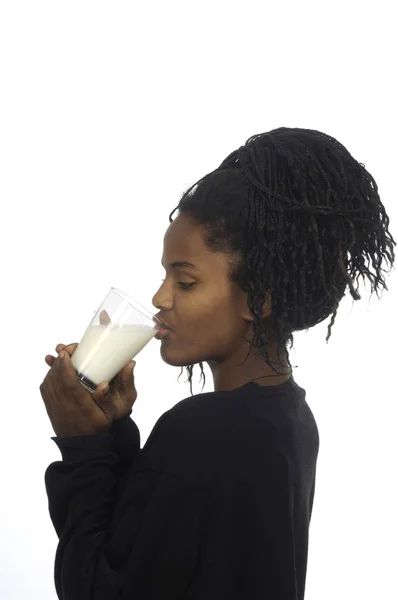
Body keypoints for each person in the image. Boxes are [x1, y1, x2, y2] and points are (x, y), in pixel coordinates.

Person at [44, 127, 396, 599]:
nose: (159, 298)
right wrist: (113, 432)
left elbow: (99, 588)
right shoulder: (291, 418)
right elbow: (157, 548)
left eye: (185, 282)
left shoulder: (200, 431)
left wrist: (81, 445)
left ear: (260, 297)